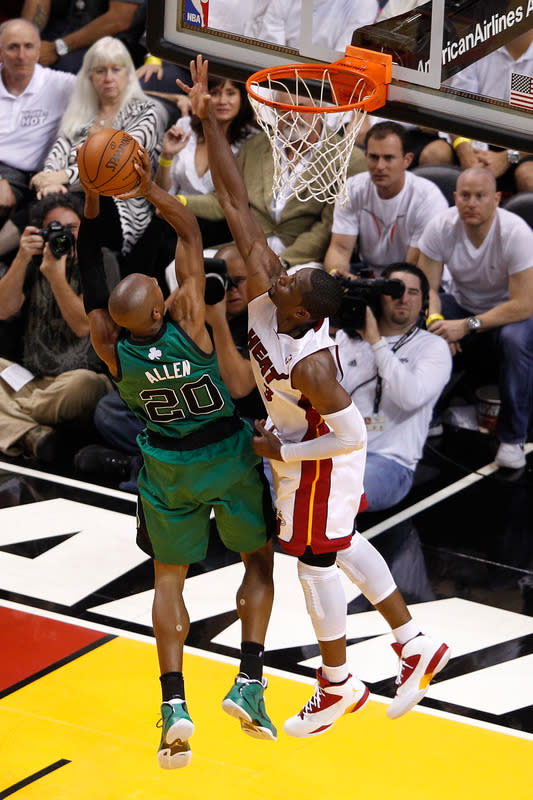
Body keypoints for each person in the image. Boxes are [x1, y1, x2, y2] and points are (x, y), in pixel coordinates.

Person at [184, 54, 450, 736]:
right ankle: (413, 644)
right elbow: (236, 199)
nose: (278, 279)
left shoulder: (312, 366)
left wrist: (285, 449)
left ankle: (336, 682)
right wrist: (211, 122)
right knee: (338, 543)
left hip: (324, 453)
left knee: (311, 562)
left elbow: (352, 434)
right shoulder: (279, 287)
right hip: (301, 444)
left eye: (291, 286)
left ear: (303, 316)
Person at [76, 146, 277, 769]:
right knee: (259, 563)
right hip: (225, 453)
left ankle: (173, 703)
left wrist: (93, 196)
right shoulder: (189, 319)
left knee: (168, 580)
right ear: (161, 307)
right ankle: (248, 680)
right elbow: (189, 232)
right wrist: (146, 186)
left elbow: (91, 269)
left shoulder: (109, 344)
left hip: (164, 465)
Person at [418, 167, 533, 470]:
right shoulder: (441, 225)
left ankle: (512, 439)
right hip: (462, 305)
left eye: (480, 196)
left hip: (511, 315)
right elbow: (426, 287)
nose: (471, 203)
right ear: (455, 197)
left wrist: (465, 326)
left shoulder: (516, 232)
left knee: (514, 341)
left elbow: (524, 305)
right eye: (465, 196)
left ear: (496, 198)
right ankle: (430, 415)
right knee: (424, 328)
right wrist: (436, 321)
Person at [182, 93, 367, 270]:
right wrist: (178, 202)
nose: (292, 116)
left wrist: (283, 262)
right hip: (249, 250)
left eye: (301, 108)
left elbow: (327, 227)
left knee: (295, 286)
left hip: (302, 259)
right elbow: (226, 200)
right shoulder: (254, 146)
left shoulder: (348, 158)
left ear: (320, 110)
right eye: (283, 109)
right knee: (182, 267)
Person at [0, 191, 115, 461]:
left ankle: (14, 420)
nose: (65, 235)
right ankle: (32, 434)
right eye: (56, 229)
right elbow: (3, 310)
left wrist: (56, 277)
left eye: (72, 228)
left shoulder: (100, 260)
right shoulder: (34, 260)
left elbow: (84, 326)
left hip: (80, 381)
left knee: (83, 384)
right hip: (32, 380)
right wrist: (21, 258)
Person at [30, 35, 165, 257]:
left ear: (129, 74)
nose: (109, 78)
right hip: (70, 198)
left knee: (69, 208)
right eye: (100, 71)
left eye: (116, 69)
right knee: (40, 205)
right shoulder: (81, 113)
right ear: (90, 77)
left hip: (121, 205)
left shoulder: (147, 112)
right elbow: (59, 150)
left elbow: (119, 164)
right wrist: (48, 180)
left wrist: (63, 177)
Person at [334, 262, 452, 511]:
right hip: (335, 451)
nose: (403, 299)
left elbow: (409, 397)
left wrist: (376, 342)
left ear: (424, 302)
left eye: (413, 292)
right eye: (395, 290)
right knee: (264, 469)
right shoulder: (347, 338)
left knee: (341, 493)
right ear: (380, 295)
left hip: (388, 463)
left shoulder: (432, 347)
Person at [324, 120, 449, 277]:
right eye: (374, 157)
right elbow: (339, 249)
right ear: (365, 156)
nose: (380, 166)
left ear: (407, 160)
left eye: (388, 158)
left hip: (413, 281)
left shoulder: (428, 199)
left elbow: (413, 268)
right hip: (368, 272)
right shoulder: (352, 188)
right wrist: (339, 275)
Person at [0, 18, 75, 252]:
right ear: (0, 51)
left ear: (39, 50)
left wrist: (174, 98)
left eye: (28, 46)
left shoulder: (60, 84)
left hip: (33, 174)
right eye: (13, 47)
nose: (21, 55)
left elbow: (112, 87)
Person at [445, 31, 533, 194]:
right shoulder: (478, 42)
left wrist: (508, 157)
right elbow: (457, 109)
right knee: (436, 154)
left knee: (528, 176)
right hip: (480, 138)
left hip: (525, 146)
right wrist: (465, 153)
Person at [21, 0, 146, 73]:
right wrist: (24, 43)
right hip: (60, 27)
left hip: (109, 39)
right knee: (12, 58)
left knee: (65, 69)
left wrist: (57, 48)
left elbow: (119, 20)